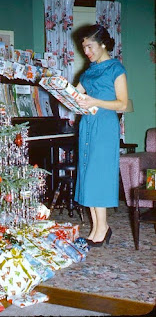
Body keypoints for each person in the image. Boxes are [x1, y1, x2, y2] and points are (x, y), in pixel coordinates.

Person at [74, 24, 128, 247]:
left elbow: (122, 103)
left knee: (99, 175)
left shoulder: (116, 68)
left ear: (102, 44)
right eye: (83, 47)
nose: (86, 52)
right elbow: (76, 94)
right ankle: (97, 228)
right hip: (88, 124)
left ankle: (103, 227)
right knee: (88, 174)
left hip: (105, 125)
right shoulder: (88, 72)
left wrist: (95, 101)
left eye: (89, 46)